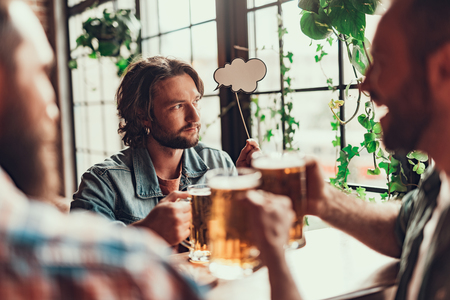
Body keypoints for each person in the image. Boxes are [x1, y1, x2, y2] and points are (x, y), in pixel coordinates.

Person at [243, 0, 450, 299]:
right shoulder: (439, 181)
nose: (365, 85)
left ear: (444, 68)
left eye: (383, 62)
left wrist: (274, 256)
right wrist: (323, 200)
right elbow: (402, 227)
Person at [71, 56, 260, 247]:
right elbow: (76, 254)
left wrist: (249, 185)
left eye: (196, 101)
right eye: (177, 106)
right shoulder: (103, 181)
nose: (194, 117)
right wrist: (146, 233)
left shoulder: (219, 163)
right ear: (143, 115)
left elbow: (241, 241)